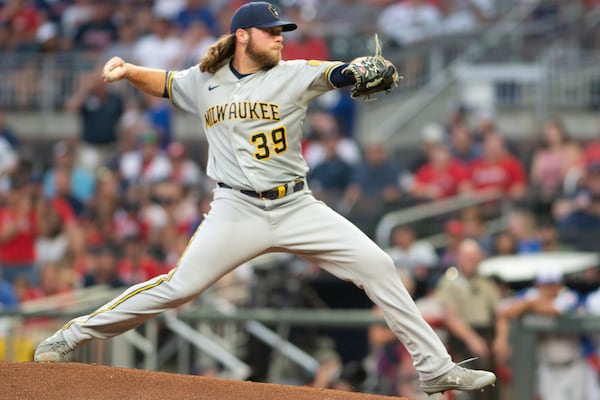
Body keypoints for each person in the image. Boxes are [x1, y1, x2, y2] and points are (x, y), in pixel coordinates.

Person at [34, 2, 495, 395]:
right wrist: (130, 70)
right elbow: (169, 83)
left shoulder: (293, 74)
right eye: (271, 32)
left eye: (282, 32)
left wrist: (354, 70)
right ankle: (67, 338)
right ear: (242, 36)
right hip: (236, 209)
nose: (280, 39)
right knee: (180, 287)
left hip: (297, 206)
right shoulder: (205, 79)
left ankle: (435, 369)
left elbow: (336, 73)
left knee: (378, 265)